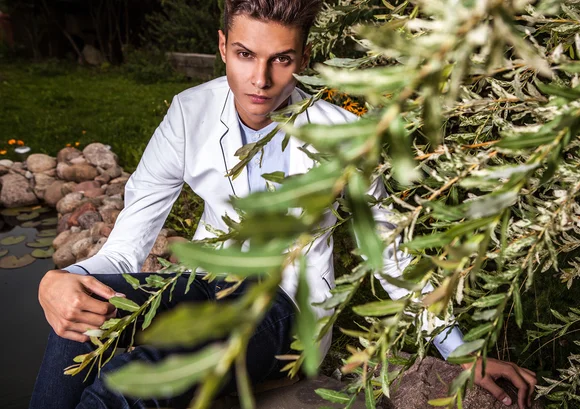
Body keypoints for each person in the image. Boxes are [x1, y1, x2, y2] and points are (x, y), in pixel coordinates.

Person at [30, 0, 537, 408]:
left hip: (286, 310)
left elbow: (390, 251)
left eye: (282, 59)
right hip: (204, 282)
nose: (261, 80)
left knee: (129, 379)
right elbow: (124, 250)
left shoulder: (344, 135)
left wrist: (461, 353)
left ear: (304, 56)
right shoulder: (189, 113)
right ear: (223, 46)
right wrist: (60, 278)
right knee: (82, 316)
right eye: (246, 55)